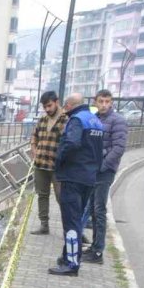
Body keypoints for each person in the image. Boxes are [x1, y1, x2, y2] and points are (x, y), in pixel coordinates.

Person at [51, 92, 104, 277]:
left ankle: (71, 264)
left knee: (70, 221)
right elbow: (99, 151)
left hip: (73, 176)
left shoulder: (76, 120)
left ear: (70, 105)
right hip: (88, 178)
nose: (64, 109)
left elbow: (71, 144)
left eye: (65, 106)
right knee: (78, 219)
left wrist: (59, 162)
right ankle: (68, 256)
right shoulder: (95, 121)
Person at [81, 89, 127, 264]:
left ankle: (98, 252)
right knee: (93, 208)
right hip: (93, 170)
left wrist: (102, 165)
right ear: (96, 102)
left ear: (112, 102)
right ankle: (94, 246)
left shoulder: (118, 121)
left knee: (99, 210)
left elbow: (119, 148)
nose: (104, 105)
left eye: (107, 101)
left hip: (104, 171)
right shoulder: (96, 119)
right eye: (101, 101)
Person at [30, 91, 68, 236]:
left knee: (61, 197)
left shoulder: (67, 119)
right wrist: (33, 147)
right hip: (40, 164)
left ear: (56, 102)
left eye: (49, 106)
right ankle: (44, 225)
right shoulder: (43, 120)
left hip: (57, 167)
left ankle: (69, 228)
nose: (47, 109)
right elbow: (34, 135)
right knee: (42, 195)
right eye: (45, 107)